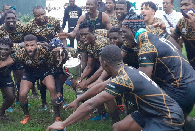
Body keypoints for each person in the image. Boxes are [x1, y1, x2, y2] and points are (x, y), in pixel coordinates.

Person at [46, 45, 184, 131]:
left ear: (104, 63)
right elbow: (101, 86)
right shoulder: (126, 71)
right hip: (149, 112)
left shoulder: (124, 78)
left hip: (167, 118)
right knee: (118, 127)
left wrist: (63, 124)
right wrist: (78, 99)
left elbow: (92, 103)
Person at [121, 13, 195, 127]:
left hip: (179, 88)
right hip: (189, 85)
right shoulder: (151, 36)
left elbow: (141, 81)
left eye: (124, 32)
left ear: (132, 31)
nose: (122, 36)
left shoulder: (146, 46)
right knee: (182, 118)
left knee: (147, 118)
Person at [0, 34, 62, 124]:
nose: (29, 48)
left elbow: (59, 57)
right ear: (24, 45)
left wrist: (61, 52)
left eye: (32, 45)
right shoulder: (21, 53)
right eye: (27, 45)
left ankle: (57, 116)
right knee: (22, 94)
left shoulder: (45, 51)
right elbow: (2, 64)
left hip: (44, 71)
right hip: (30, 72)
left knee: (51, 87)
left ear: (37, 45)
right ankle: (26, 115)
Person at [26, 5, 67, 109]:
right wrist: (40, 45)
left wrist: (63, 49)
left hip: (55, 53)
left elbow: (62, 35)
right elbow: (28, 40)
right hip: (40, 54)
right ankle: (44, 102)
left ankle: (60, 98)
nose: (41, 17)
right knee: (43, 78)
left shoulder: (54, 21)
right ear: (34, 16)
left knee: (58, 75)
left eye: (42, 14)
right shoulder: (30, 25)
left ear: (45, 12)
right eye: (37, 15)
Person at [0, 10, 26, 105]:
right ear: (4, 19)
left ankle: (18, 97)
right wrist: (18, 45)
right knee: (4, 75)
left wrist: (17, 47)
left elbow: (27, 41)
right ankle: (7, 98)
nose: (11, 20)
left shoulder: (22, 27)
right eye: (8, 18)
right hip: (2, 56)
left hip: (17, 56)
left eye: (13, 18)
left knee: (19, 75)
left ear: (16, 18)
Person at [170, 0, 195, 69]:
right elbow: (175, 36)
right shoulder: (182, 22)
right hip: (191, 62)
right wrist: (163, 32)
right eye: (181, 6)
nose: (183, 8)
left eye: (186, 5)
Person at [0, 38, 15, 118]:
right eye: (0, 49)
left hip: (5, 76)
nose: (2, 52)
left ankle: (1, 112)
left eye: (6, 49)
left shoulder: (16, 54)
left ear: (11, 50)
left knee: (11, 97)